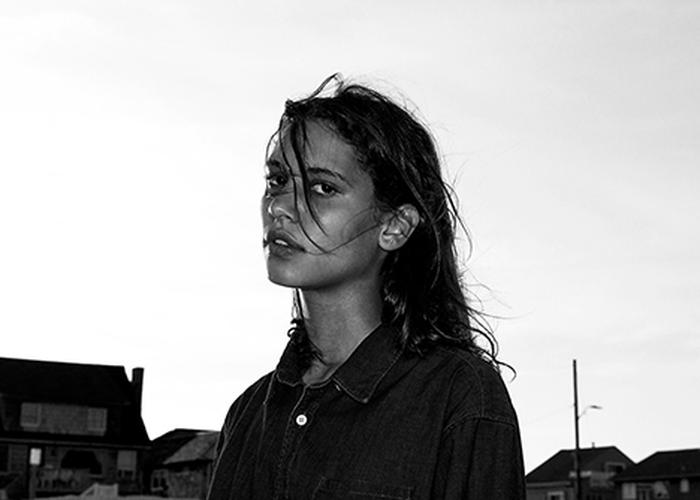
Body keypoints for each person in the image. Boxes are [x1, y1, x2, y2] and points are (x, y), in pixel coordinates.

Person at [206, 75, 525, 499]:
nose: (280, 206)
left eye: (323, 188)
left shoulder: (459, 397)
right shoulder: (246, 415)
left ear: (395, 226)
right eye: (277, 180)